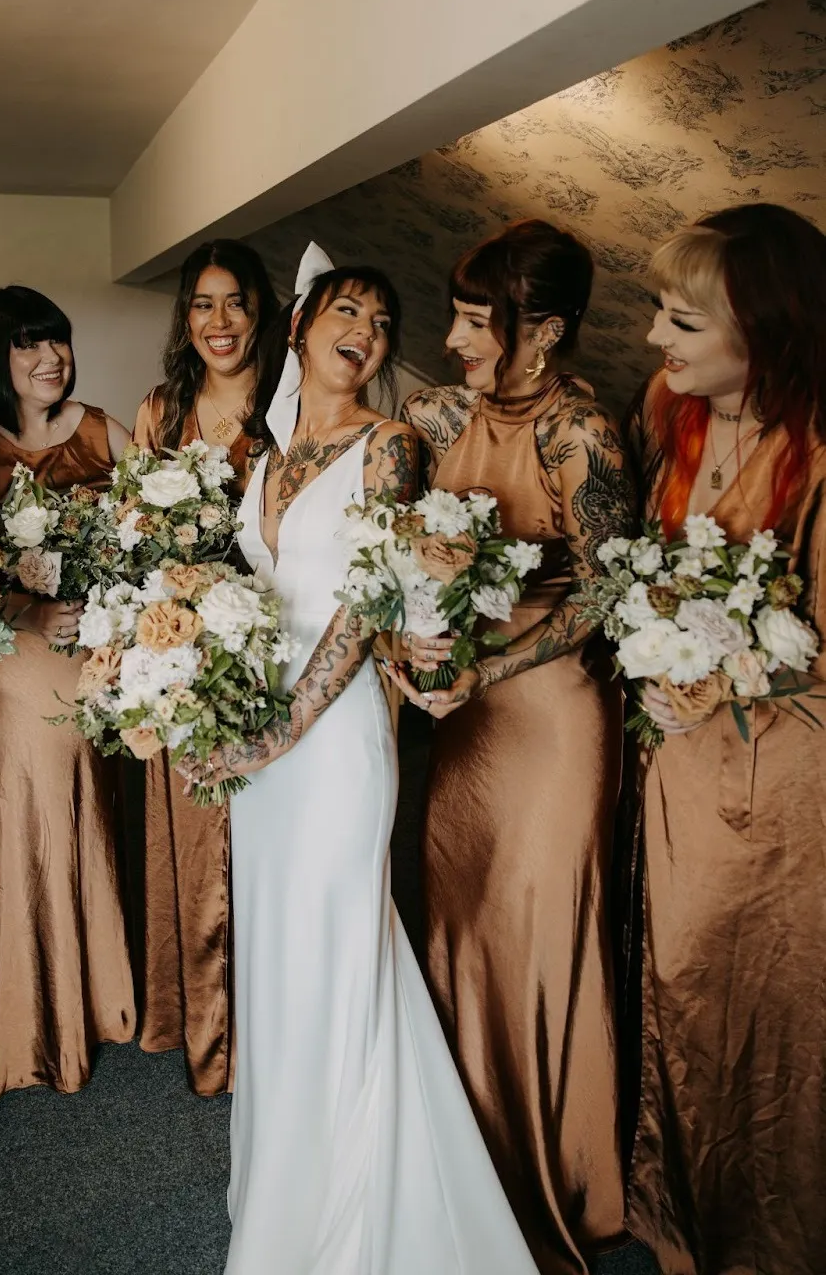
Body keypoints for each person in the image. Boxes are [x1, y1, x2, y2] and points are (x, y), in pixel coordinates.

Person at [189, 245, 538, 1275]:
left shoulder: (390, 448)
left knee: (338, 946)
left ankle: (353, 1213)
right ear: (300, 326)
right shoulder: (261, 458)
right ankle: (287, 1182)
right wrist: (207, 703)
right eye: (348, 311)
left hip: (333, 739)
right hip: (261, 736)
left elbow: (366, 601)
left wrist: (284, 727)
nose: (368, 334)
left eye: (383, 325)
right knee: (278, 950)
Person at [391, 219, 630, 1275]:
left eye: (473, 321)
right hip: (462, 719)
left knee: (534, 931)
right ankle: (461, 1151)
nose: (450, 340)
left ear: (544, 331)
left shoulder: (583, 434)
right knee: (459, 920)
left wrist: (486, 669)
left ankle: (554, 1169)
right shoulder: (438, 415)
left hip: (547, 717)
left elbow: (607, 590)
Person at [624, 203, 826, 1275]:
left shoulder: (818, 456)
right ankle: (679, 1222)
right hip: (678, 770)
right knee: (679, 991)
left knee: (753, 1004)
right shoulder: (672, 413)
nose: (655, 337)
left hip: (780, 790)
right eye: (661, 310)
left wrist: (725, 673)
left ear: (767, 332)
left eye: (683, 320)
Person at [0, 285, 136, 1097]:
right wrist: (25, 609)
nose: (49, 357)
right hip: (14, 652)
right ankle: (36, 1004)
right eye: (27, 343)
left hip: (101, 643)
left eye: (56, 339)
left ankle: (104, 984)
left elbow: (157, 534)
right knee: (40, 761)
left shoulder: (103, 430)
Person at [132, 240, 278, 1095]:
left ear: (261, 312)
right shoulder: (162, 410)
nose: (218, 322)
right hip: (186, 652)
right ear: (184, 316)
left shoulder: (293, 401)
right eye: (201, 303)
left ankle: (273, 1026)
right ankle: (205, 1018)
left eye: (235, 302)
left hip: (274, 650)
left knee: (269, 838)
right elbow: (134, 534)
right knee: (196, 839)